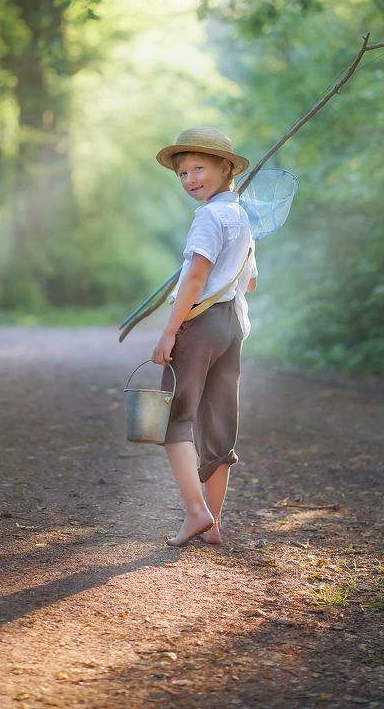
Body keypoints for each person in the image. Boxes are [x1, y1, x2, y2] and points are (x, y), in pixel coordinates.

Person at [152, 126, 257, 547]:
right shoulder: (242, 216)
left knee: (173, 420)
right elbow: (249, 283)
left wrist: (170, 331)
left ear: (226, 168)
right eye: (183, 174)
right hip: (232, 325)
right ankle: (213, 526)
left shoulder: (209, 216)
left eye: (200, 168)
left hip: (201, 325)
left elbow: (195, 277)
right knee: (217, 426)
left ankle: (197, 512)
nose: (191, 179)